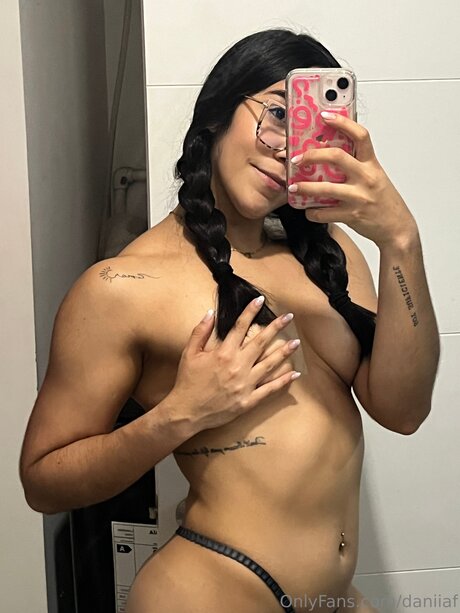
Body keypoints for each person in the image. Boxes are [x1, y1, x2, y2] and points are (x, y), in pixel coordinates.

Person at [19, 27, 440, 613]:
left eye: (307, 130)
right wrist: (181, 415)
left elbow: (404, 410)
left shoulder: (332, 255)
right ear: (218, 110)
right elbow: (42, 481)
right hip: (208, 593)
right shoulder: (122, 287)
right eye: (275, 115)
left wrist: (401, 239)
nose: (286, 149)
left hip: (331, 598)